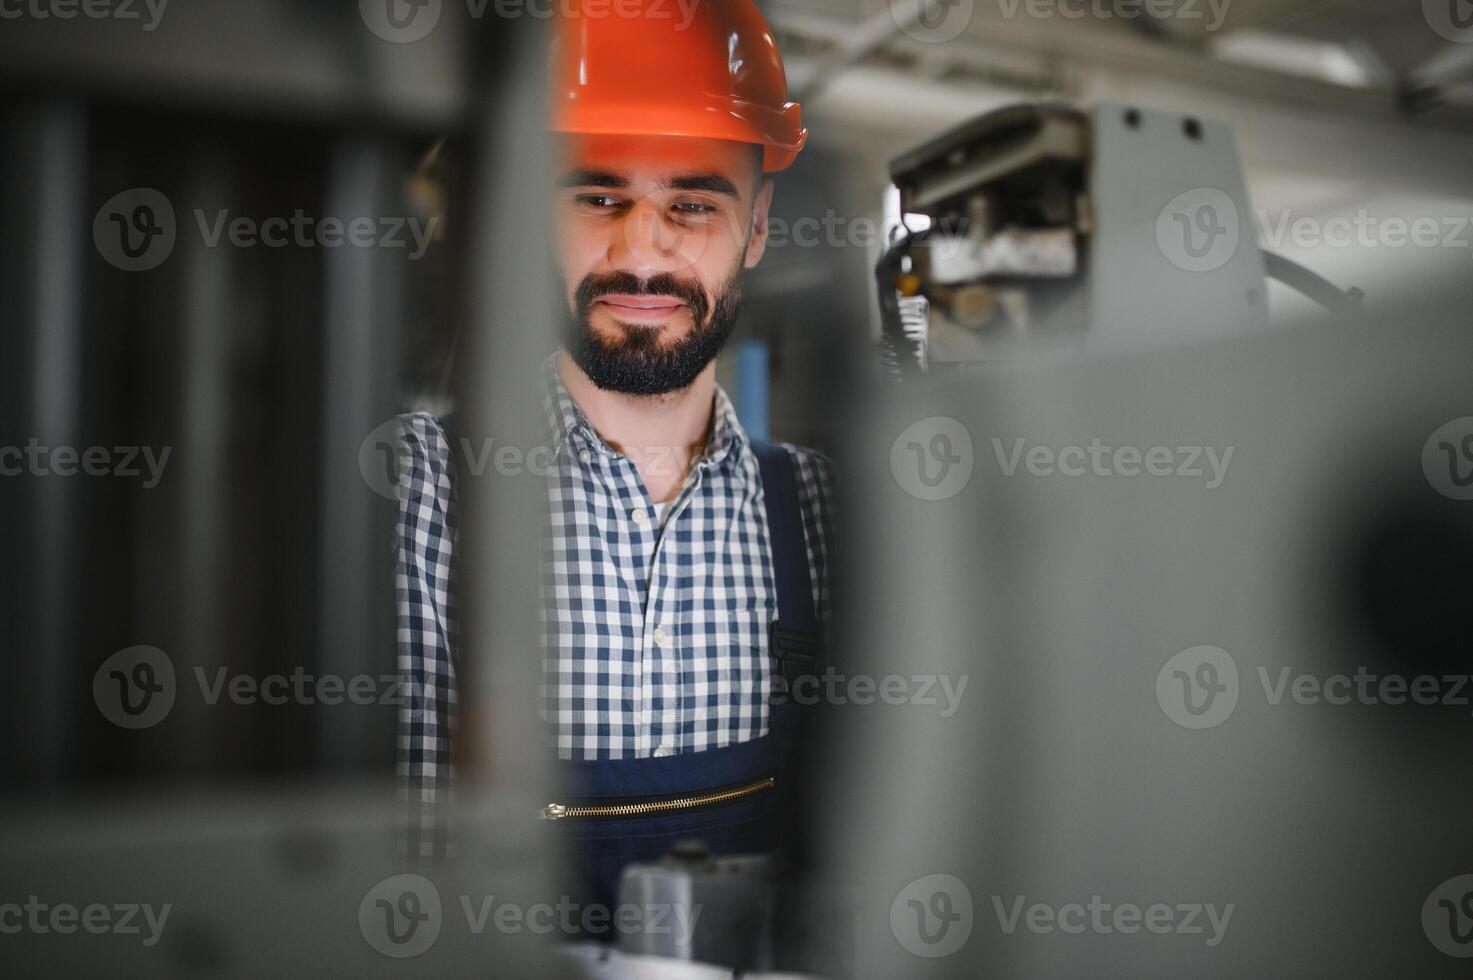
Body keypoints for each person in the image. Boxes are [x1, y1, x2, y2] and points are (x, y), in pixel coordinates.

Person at [395, 0, 834, 912]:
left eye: (692, 202)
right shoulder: (415, 498)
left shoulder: (830, 518)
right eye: (599, 197)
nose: (642, 250)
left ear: (755, 227)